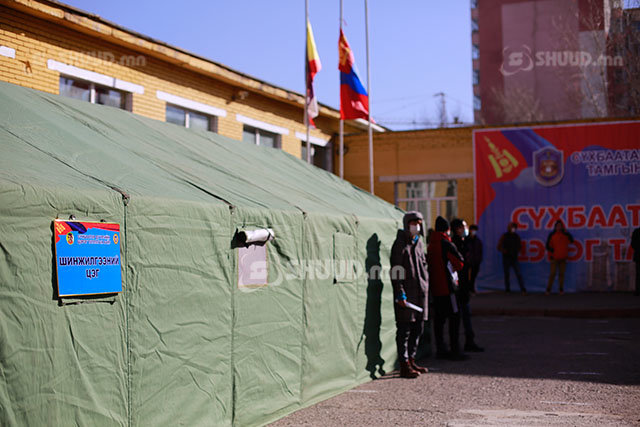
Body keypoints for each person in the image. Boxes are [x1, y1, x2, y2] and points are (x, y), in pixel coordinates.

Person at [390, 211, 429, 378]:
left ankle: (412, 360)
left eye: (419, 223)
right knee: (404, 330)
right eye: (413, 223)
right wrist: (400, 293)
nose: (416, 226)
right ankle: (404, 364)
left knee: (418, 328)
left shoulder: (419, 243)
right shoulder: (400, 244)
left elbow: (424, 265)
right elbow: (396, 270)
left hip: (421, 293)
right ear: (407, 224)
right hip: (407, 294)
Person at [427, 216, 467, 361]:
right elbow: (459, 263)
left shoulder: (430, 245)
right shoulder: (446, 244)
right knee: (454, 319)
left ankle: (440, 349)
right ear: (447, 230)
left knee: (439, 320)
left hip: (435, 289)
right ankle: (455, 350)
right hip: (449, 288)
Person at [450, 219, 484, 352]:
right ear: (457, 229)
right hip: (457, 286)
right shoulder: (454, 244)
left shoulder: (466, 242)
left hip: (464, 284)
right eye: (463, 227)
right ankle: (457, 345)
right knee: (457, 317)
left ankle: (469, 341)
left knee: (465, 315)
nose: (466, 230)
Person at [545, 220, 574, 295]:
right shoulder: (552, 234)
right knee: (553, 273)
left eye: (560, 226)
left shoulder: (565, 234)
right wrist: (552, 253)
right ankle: (548, 289)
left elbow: (572, 240)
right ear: (555, 227)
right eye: (557, 226)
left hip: (563, 257)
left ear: (562, 227)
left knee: (561, 274)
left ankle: (561, 289)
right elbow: (547, 246)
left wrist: (567, 233)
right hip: (554, 258)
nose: (559, 227)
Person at [497, 222, 526, 294]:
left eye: (514, 227)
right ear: (509, 228)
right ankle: (507, 289)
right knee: (507, 274)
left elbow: (520, 246)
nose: (513, 229)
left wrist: (517, 250)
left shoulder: (516, 236)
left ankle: (522, 288)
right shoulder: (504, 236)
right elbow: (499, 246)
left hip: (514, 258)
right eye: (512, 227)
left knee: (519, 273)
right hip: (506, 258)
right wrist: (504, 251)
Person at [465, 224, 483, 294]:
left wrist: (479, 259)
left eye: (475, 230)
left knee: (473, 276)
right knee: (466, 275)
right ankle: (467, 289)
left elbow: (480, 251)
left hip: (476, 260)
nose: (474, 231)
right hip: (468, 260)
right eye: (472, 230)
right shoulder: (466, 240)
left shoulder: (478, 240)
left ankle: (471, 288)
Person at [632, 226, 640, 296]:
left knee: (638, 274)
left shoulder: (636, 231)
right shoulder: (636, 231)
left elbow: (632, 244)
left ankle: (638, 290)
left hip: (638, 256)